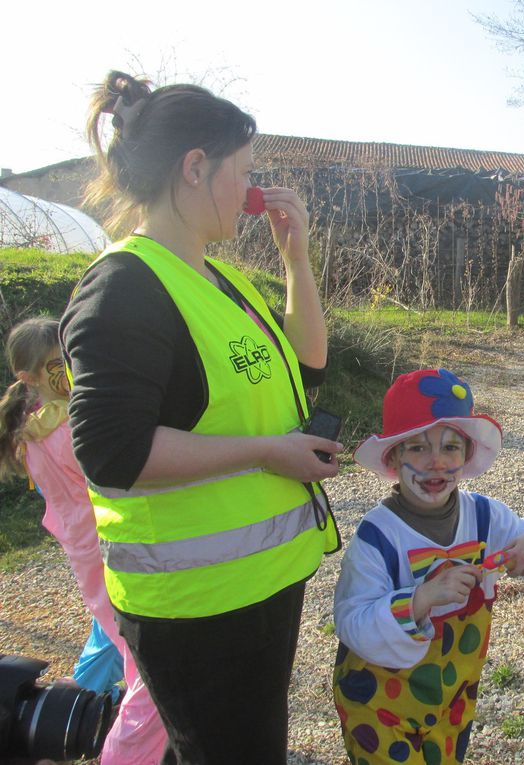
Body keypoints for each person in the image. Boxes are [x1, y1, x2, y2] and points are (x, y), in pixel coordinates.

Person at [61, 70, 341, 764]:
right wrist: (266, 452)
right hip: (198, 608)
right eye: (242, 171)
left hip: (255, 588)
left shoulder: (218, 277)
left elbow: (308, 356)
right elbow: (112, 450)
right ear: (195, 168)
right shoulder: (123, 288)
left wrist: (296, 260)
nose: (252, 191)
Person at [332, 368, 524, 764]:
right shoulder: (379, 535)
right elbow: (351, 620)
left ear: (467, 454)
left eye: (450, 448)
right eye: (417, 448)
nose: (436, 463)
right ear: (393, 457)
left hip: (451, 700)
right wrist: (420, 599)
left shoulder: (482, 516)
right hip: (378, 705)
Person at [0, 317, 167, 764]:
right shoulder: (71, 427)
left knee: (121, 641)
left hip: (90, 556)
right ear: (28, 377)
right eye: (58, 363)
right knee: (150, 675)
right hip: (113, 551)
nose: (69, 370)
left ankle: (91, 706)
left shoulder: (33, 428)